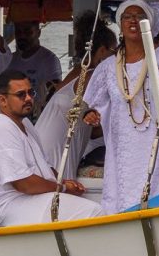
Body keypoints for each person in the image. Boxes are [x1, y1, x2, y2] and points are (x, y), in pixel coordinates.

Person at [84, 0, 159, 213]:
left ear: (150, 23)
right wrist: (92, 115)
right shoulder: (108, 67)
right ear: (120, 24)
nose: (133, 21)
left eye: (140, 17)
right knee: (127, 204)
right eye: (127, 17)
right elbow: (94, 108)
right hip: (125, 148)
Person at [0, 70, 103, 227]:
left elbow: (45, 165)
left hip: (29, 200)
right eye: (21, 95)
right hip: (10, 207)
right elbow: (24, 183)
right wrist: (63, 187)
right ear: (3, 100)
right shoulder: (1, 129)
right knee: (95, 213)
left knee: (91, 209)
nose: (29, 98)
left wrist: (63, 181)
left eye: (31, 92)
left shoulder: (25, 124)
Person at [33, 12, 116, 180]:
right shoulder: (93, 75)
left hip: (41, 147)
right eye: (114, 51)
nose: (116, 57)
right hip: (55, 154)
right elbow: (99, 126)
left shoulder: (77, 71)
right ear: (102, 51)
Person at [6, 19, 62, 115]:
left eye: (28, 32)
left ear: (38, 33)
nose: (22, 36)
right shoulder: (10, 60)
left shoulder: (49, 60)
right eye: (18, 32)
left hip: (38, 116)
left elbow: (54, 92)